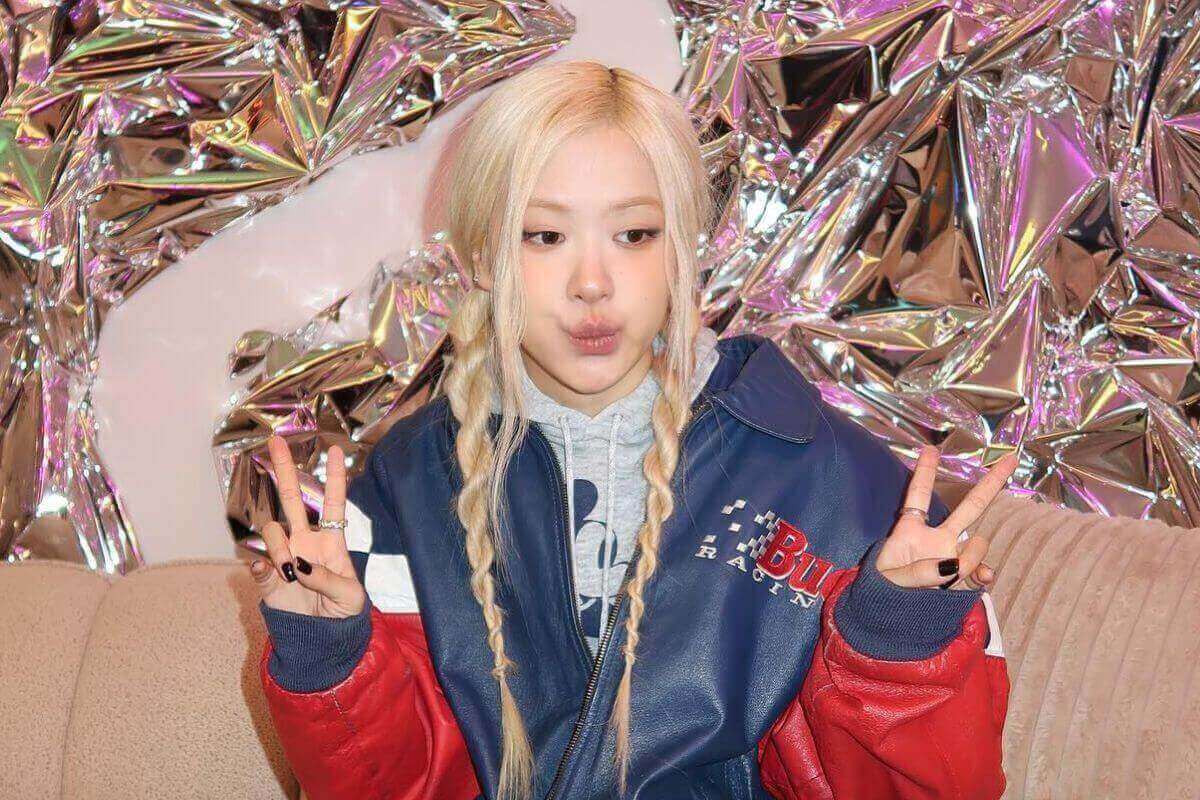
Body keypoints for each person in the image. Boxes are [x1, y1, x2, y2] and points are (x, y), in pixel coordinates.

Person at [248, 59, 1015, 800]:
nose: (592, 283)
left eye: (636, 234)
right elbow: (404, 786)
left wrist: (893, 642)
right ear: (481, 255)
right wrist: (331, 659)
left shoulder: (846, 488)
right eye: (544, 236)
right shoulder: (408, 484)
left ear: (682, 250)